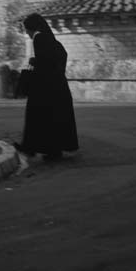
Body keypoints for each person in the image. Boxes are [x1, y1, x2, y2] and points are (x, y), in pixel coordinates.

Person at [14, 13, 79, 161]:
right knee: (52, 118)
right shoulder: (49, 37)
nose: (26, 33)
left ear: (32, 28)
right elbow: (60, 55)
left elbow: (44, 62)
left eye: (26, 29)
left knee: (37, 116)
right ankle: (51, 150)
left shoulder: (39, 38)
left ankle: (32, 148)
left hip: (46, 86)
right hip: (56, 85)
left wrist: (35, 62)